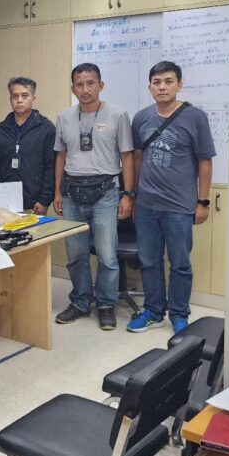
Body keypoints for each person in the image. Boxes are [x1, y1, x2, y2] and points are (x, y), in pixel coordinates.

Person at [126, 61, 215, 335]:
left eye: (168, 81)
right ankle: (153, 311)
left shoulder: (195, 117)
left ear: (179, 84)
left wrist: (203, 201)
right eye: (157, 82)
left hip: (179, 206)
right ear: (149, 86)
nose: (162, 87)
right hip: (146, 206)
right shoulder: (141, 118)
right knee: (149, 262)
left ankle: (179, 314)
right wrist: (135, 195)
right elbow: (137, 157)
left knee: (180, 264)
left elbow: (205, 161)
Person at [52, 63, 135, 331]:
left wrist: (128, 194)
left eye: (90, 83)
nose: (85, 89)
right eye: (79, 84)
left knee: (107, 254)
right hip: (72, 193)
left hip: (106, 193)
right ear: (73, 88)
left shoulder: (118, 115)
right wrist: (57, 191)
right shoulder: (64, 117)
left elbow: (127, 156)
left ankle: (106, 304)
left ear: (101, 85)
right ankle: (80, 301)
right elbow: (61, 156)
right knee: (76, 253)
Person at [0, 77, 55, 214]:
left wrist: (44, 200)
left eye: (25, 95)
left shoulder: (46, 128)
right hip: (4, 203)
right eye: (15, 96)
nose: (19, 100)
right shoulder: (1, 129)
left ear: (33, 99)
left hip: (34, 203)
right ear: (10, 100)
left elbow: (50, 167)